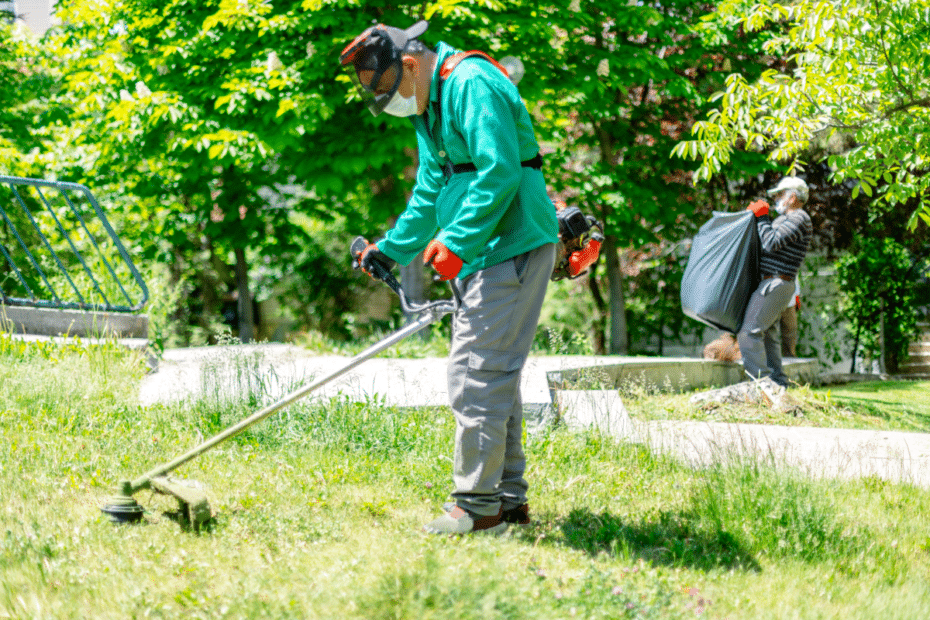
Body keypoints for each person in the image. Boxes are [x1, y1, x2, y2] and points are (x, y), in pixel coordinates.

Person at [340, 21, 561, 534]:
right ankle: (506, 500)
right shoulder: (431, 104)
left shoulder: (470, 83)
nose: (388, 102)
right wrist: (391, 249)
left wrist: (456, 241)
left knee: (476, 376)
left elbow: (500, 170)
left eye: (389, 90)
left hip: (514, 245)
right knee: (492, 378)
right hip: (488, 250)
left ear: (411, 65)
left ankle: (478, 508)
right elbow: (431, 189)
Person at [739, 176, 813, 388]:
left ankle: (761, 384)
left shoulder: (800, 218)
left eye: (780, 194)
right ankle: (779, 382)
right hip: (774, 283)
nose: (776, 199)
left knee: (749, 332)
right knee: (769, 336)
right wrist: (756, 219)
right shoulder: (786, 219)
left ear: (792, 197)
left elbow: (771, 243)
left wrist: (762, 217)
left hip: (777, 283)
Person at [779, 279, 802, 357]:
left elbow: (794, 276)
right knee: (769, 332)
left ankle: (790, 357)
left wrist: (797, 296)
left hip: (789, 301)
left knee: (791, 330)